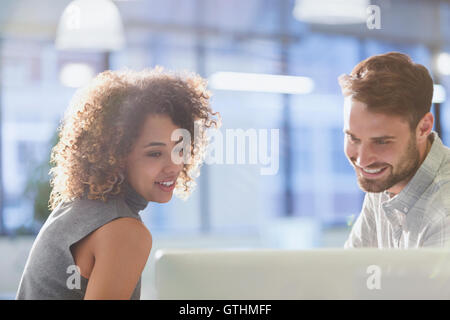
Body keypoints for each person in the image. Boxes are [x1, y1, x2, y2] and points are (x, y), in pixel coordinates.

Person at [16, 67, 220, 299]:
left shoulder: (77, 208)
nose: (174, 166)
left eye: (179, 149)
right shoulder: (124, 230)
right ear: (116, 155)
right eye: (154, 153)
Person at [339, 52, 450, 248]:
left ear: (423, 128)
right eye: (353, 138)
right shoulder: (384, 179)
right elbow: (349, 270)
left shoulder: (444, 210)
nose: (363, 161)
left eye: (381, 142)